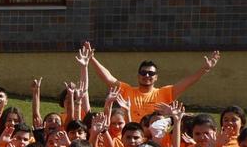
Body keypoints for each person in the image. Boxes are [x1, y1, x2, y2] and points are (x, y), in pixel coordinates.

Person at [81, 43, 221, 120]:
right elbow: (108, 77)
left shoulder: (164, 92)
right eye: (143, 72)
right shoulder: (127, 90)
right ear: (138, 75)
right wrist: (92, 59)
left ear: (156, 77)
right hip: (131, 136)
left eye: (151, 73)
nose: (147, 75)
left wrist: (205, 69)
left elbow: (188, 81)